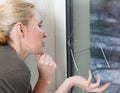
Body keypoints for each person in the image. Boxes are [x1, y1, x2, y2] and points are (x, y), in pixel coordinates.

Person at [0, 0, 111, 93]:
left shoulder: (8, 61)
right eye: (39, 25)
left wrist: (70, 81)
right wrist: (44, 79)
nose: (45, 34)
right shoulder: (15, 71)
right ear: (20, 29)